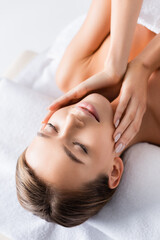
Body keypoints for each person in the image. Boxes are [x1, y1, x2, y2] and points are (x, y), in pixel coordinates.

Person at [16, 0, 160, 228]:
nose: (73, 120)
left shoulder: (73, 72)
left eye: (51, 129)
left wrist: (116, 65)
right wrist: (142, 66)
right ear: (113, 170)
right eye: (79, 147)